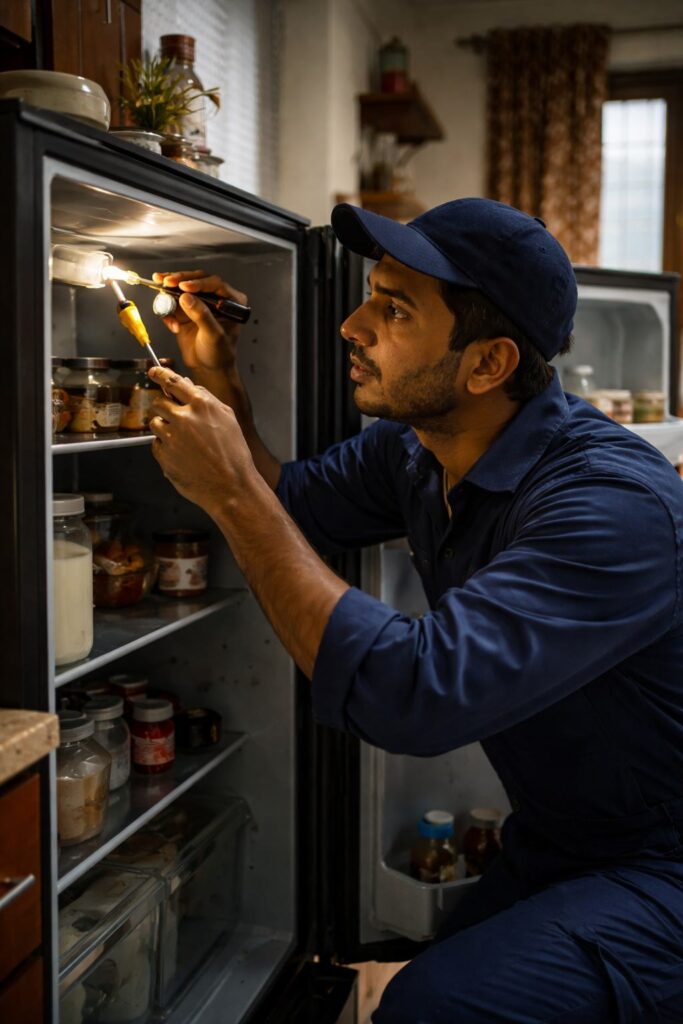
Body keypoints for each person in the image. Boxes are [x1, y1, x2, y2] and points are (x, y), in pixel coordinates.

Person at [148, 199, 683, 1023]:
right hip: (563, 837)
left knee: (429, 1006)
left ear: (487, 363)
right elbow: (292, 507)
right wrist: (219, 380)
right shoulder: (418, 448)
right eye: (371, 295)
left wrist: (227, 493)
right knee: (437, 974)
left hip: (663, 865)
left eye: (394, 310)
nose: (351, 326)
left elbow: (413, 692)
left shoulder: (610, 506)